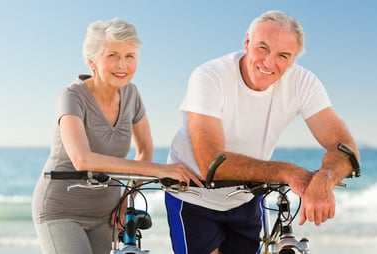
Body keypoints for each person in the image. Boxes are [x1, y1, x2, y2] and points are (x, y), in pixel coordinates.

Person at [164, 10, 360, 254]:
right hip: (193, 196)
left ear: (293, 60)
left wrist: (325, 178)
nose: (269, 62)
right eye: (262, 48)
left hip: (247, 198)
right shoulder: (210, 76)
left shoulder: (303, 83)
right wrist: (288, 172)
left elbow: (345, 148)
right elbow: (211, 163)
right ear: (247, 42)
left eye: (283, 55)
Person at [32, 18, 201, 254]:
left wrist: (127, 196)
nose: (122, 64)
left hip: (106, 214)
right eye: (112, 55)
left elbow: (145, 150)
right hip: (61, 210)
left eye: (129, 56)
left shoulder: (132, 94)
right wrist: (158, 169)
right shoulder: (71, 97)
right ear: (92, 62)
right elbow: (83, 159)